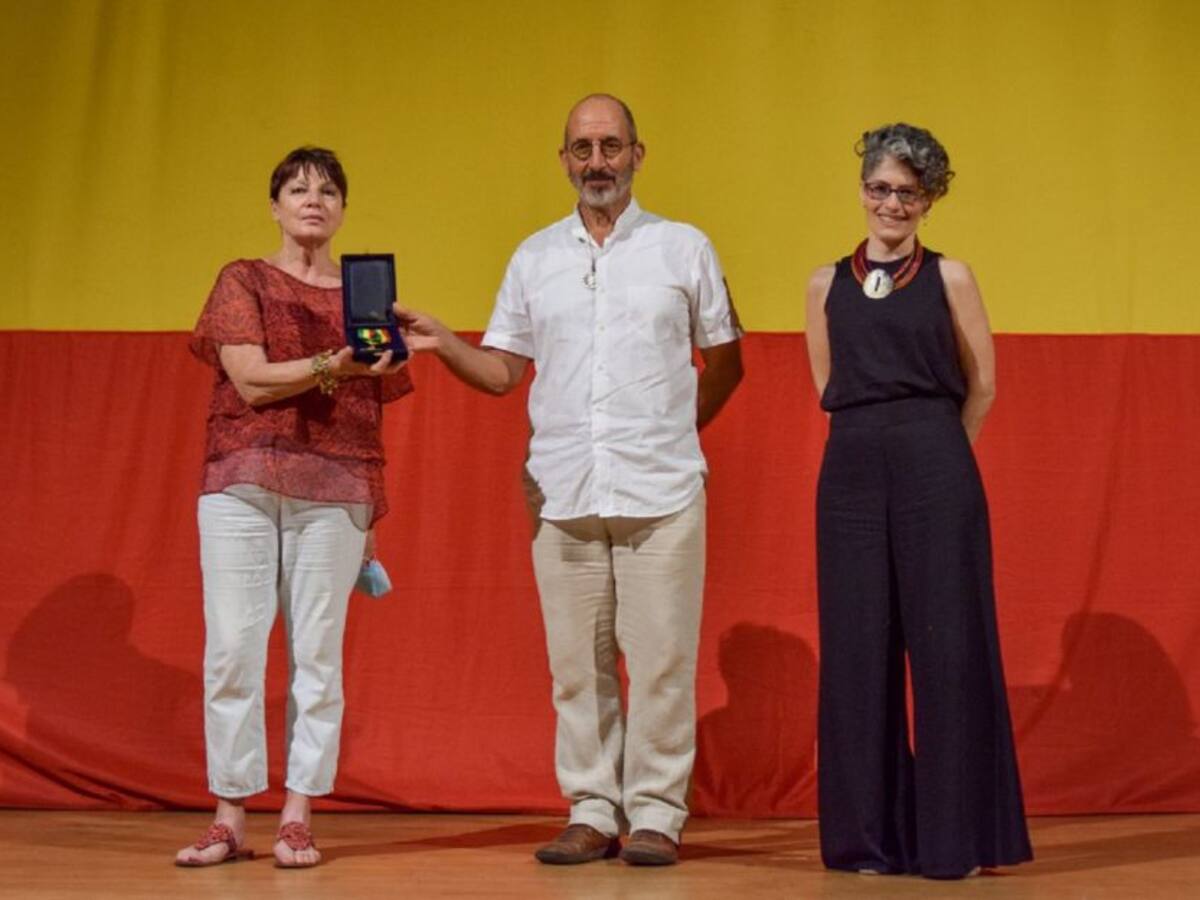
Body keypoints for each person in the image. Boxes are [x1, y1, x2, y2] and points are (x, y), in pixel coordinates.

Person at [400, 94, 743, 866]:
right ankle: (592, 809)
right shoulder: (534, 258)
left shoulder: (682, 247)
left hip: (663, 491)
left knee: (660, 662)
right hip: (562, 493)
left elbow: (726, 359)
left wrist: (675, 431)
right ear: (563, 160)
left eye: (611, 146)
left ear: (637, 155)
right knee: (575, 668)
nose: (597, 161)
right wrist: (446, 342)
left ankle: (655, 813)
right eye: (583, 148)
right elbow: (502, 373)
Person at [804, 123, 1033, 879]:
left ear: (929, 200)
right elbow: (827, 385)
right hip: (852, 473)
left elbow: (985, 383)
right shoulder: (824, 282)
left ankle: (953, 842)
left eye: (908, 192)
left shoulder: (952, 277)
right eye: (880, 188)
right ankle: (868, 842)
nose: (891, 204)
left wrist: (939, 453)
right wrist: (878, 446)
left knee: (948, 649)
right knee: (858, 651)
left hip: (936, 460)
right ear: (861, 189)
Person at [175, 147, 411, 868]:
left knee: (318, 655)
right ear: (275, 205)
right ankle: (228, 814)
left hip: (335, 489)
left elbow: (372, 409)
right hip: (243, 484)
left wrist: (384, 354)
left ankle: (298, 814)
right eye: (298, 188)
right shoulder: (242, 278)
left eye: (329, 190)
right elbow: (247, 380)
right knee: (233, 651)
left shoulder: (362, 298)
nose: (314, 199)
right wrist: (330, 365)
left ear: (343, 210)